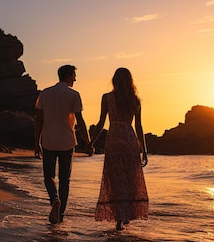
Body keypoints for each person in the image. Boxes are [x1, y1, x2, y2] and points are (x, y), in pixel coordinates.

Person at [89, 67, 148, 231]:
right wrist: (144, 149)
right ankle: (125, 214)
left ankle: (119, 219)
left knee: (115, 179)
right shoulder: (135, 100)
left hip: (114, 139)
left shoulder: (107, 98)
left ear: (114, 80)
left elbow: (101, 122)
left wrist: (91, 142)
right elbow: (139, 126)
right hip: (129, 139)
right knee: (130, 179)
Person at [35, 64, 91, 224]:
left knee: (48, 176)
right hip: (67, 141)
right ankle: (60, 216)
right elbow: (80, 120)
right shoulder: (74, 94)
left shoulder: (45, 93)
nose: (75, 78)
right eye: (74, 75)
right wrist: (87, 142)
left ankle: (54, 200)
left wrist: (36, 143)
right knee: (65, 180)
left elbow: (39, 120)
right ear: (67, 76)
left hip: (48, 140)